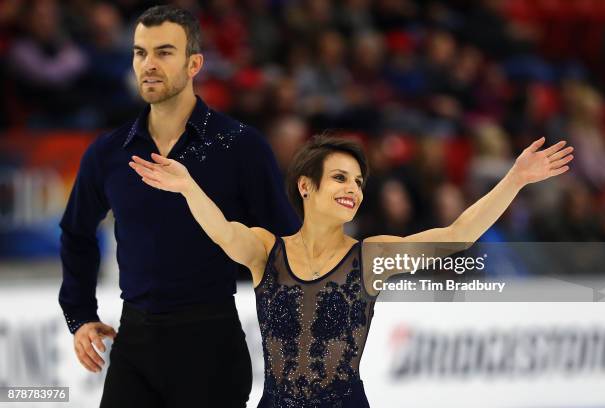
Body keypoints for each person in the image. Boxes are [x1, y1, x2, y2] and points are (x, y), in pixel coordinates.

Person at [129, 135, 573, 407]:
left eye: (359, 182)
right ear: (306, 186)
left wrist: (513, 179)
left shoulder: (371, 258)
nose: (354, 189)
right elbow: (225, 232)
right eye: (341, 178)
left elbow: (455, 236)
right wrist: (188, 187)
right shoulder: (267, 250)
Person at [58, 5, 299, 408]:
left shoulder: (239, 146)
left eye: (164, 52)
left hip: (211, 343)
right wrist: (79, 314)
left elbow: (287, 242)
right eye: (140, 53)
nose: (149, 64)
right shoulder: (110, 152)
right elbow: (76, 231)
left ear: (194, 64)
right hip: (134, 343)